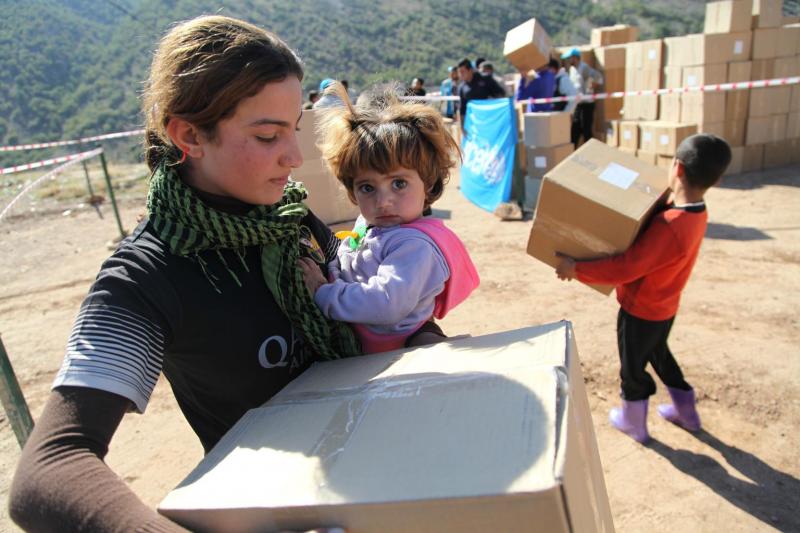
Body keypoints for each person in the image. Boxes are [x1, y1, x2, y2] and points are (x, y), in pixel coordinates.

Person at [9, 15, 366, 531]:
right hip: (275, 510)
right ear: (189, 135)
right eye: (268, 136)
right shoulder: (148, 275)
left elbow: (372, 317)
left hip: (372, 469)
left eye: (294, 130)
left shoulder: (291, 218)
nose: (293, 157)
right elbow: (51, 466)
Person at [555, 134, 732, 443]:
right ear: (717, 180)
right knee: (660, 356)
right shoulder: (696, 214)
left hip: (641, 311)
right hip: (665, 308)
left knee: (632, 366)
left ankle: (633, 421)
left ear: (677, 168)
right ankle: (686, 413)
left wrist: (576, 269)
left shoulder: (670, 224)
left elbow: (626, 266)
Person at [299, 84, 480, 354]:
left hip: (400, 344)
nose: (383, 202)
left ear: (428, 184)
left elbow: (386, 302)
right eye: (367, 188)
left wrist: (323, 293)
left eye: (398, 184)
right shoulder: (372, 224)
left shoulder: (413, 245)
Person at [562, 47, 603, 147]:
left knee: (586, 130)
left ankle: (590, 152)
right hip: (578, 104)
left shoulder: (584, 68)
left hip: (587, 104)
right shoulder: (572, 70)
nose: (568, 61)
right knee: (575, 130)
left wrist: (593, 85)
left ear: (575, 58)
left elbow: (598, 77)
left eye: (569, 58)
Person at [456, 57, 506, 129]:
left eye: (462, 72)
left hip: (491, 119)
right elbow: (462, 109)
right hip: (475, 123)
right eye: (459, 72)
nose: (461, 75)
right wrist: (462, 126)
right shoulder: (462, 87)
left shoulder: (485, 79)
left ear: (470, 70)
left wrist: (489, 102)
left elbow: (501, 94)